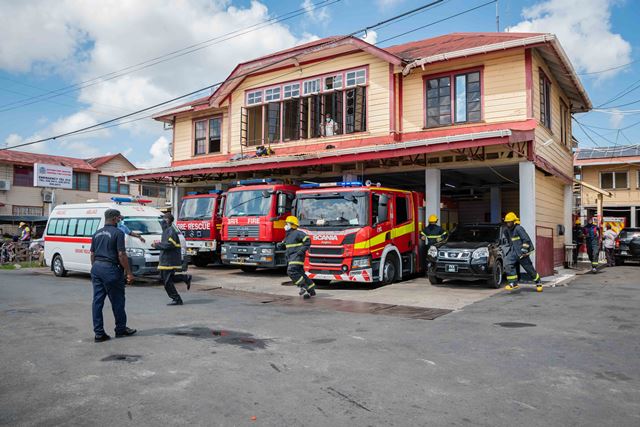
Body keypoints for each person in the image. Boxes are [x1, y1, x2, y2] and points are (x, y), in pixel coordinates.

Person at [90, 209, 136, 342]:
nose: (120, 221)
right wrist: (129, 273)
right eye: (119, 219)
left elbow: (92, 254)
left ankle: (99, 333)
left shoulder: (96, 234)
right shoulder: (118, 233)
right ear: (115, 219)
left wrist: (95, 268)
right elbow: (121, 255)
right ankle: (120, 329)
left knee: (97, 301)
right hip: (110, 269)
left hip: (97, 267)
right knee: (118, 301)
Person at [152, 213, 192, 305]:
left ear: (167, 220)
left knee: (166, 281)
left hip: (169, 261)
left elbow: (170, 244)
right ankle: (185, 278)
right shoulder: (167, 230)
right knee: (167, 279)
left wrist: (157, 245)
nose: (161, 222)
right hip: (166, 259)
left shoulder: (170, 231)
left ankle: (177, 299)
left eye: (163, 220)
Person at [503, 212, 542, 293]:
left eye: (509, 222)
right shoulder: (507, 230)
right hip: (513, 251)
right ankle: (513, 283)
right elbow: (509, 240)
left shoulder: (519, 228)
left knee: (529, 269)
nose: (508, 223)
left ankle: (538, 282)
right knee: (507, 264)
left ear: (514, 221)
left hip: (521, 252)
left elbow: (526, 239)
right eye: (507, 222)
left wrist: (524, 249)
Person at [279, 215, 315, 299]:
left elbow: (308, 241)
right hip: (291, 257)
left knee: (291, 271)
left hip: (297, 256)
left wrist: (301, 251)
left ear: (291, 224)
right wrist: (281, 246)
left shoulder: (298, 233)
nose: (285, 225)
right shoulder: (287, 236)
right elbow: (286, 246)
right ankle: (311, 289)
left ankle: (303, 286)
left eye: (286, 223)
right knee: (300, 273)